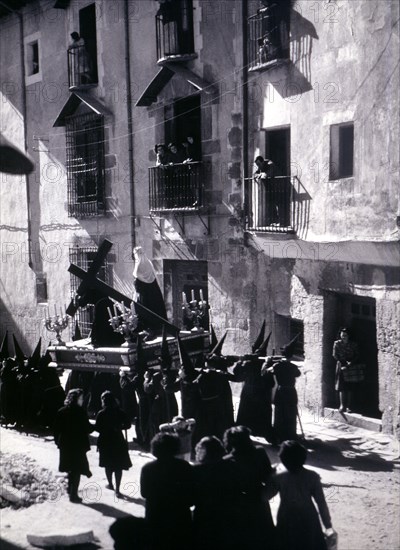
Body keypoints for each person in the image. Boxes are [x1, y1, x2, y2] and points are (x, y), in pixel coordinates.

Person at [271, 440, 335, 550]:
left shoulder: (279, 477)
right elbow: (321, 503)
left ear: (283, 459)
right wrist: (328, 525)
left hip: (286, 517)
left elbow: (266, 495)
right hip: (308, 518)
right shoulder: (313, 476)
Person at [223, 426, 276, 550]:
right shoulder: (260, 452)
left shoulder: (226, 461)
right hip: (258, 498)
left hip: (237, 503)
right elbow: (267, 475)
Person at [140, 432, 195, 550]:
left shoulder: (147, 468)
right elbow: (192, 495)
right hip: (179, 515)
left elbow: (144, 493)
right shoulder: (185, 466)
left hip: (156, 514)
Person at [193, 436, 240, 550]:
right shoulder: (232, 465)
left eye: (200, 449)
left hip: (204, 514)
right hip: (227, 513)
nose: (197, 451)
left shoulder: (197, 469)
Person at [53, 388, 93, 503]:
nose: (82, 401)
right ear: (76, 399)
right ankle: (73, 494)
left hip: (65, 444)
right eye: (81, 398)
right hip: (78, 445)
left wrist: (57, 441)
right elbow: (88, 428)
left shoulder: (62, 411)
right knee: (77, 469)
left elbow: (56, 428)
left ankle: (70, 490)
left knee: (70, 467)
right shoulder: (81, 412)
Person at [94, 391, 132, 498]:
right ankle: (118, 489)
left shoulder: (101, 413)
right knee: (118, 465)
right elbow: (128, 425)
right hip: (118, 440)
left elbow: (97, 428)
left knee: (108, 464)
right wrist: (119, 427)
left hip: (105, 441)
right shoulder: (120, 412)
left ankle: (110, 484)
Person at [265, 341, 301, 442]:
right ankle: (290, 435)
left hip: (281, 391)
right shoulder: (294, 367)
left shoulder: (277, 366)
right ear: (291, 355)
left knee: (279, 413)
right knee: (290, 413)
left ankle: (279, 436)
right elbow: (298, 374)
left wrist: (269, 362)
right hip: (291, 392)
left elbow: (266, 371)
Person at [132, 246, 168, 339]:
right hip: (153, 291)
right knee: (155, 307)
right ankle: (158, 328)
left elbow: (137, 278)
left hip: (144, 293)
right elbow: (153, 277)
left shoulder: (139, 265)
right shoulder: (149, 263)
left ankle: (148, 329)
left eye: (135, 254)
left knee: (145, 310)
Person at [332, 327, 361, 413]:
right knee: (341, 386)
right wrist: (343, 362)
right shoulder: (337, 344)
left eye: (345, 335)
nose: (343, 337)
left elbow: (357, 355)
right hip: (341, 365)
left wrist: (351, 363)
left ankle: (349, 406)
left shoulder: (353, 344)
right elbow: (335, 355)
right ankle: (342, 405)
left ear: (348, 336)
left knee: (350, 386)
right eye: (342, 335)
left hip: (351, 366)